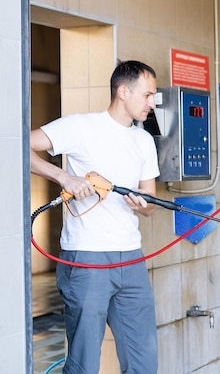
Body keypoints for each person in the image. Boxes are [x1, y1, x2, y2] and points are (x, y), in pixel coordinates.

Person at [30, 60, 160, 374]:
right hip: (87, 260)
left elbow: (151, 201)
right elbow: (16, 144)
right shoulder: (80, 126)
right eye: (147, 95)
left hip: (130, 260)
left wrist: (143, 205)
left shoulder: (143, 140)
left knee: (144, 363)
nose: (152, 103)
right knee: (84, 364)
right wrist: (64, 178)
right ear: (123, 91)